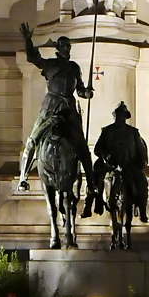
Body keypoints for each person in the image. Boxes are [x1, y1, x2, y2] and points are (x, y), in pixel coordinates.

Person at [18, 24, 95, 191]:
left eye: (69, 46)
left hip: (69, 108)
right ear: (58, 48)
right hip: (51, 106)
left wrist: (86, 93)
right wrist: (28, 41)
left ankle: (91, 181)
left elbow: (80, 90)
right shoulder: (50, 64)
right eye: (65, 46)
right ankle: (23, 177)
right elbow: (33, 58)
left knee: (81, 144)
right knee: (33, 139)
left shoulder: (74, 67)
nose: (68, 49)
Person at [82, 100, 149, 222]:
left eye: (122, 116)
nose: (120, 118)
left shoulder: (133, 132)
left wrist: (141, 162)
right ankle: (89, 205)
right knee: (94, 180)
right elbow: (97, 149)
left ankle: (142, 210)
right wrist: (105, 156)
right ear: (114, 116)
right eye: (118, 116)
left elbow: (140, 149)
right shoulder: (107, 131)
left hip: (128, 165)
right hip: (108, 164)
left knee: (142, 182)